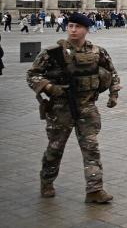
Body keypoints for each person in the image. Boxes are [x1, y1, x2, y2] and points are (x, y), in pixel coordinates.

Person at [26, 12, 121, 202]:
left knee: (91, 148)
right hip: (60, 108)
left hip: (86, 106)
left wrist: (114, 93)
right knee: (55, 148)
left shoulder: (97, 51)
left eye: (77, 27)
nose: (73, 30)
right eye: (70, 26)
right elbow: (32, 74)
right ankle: (47, 181)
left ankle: (94, 190)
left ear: (86, 29)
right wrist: (50, 87)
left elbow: (112, 72)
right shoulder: (53, 52)